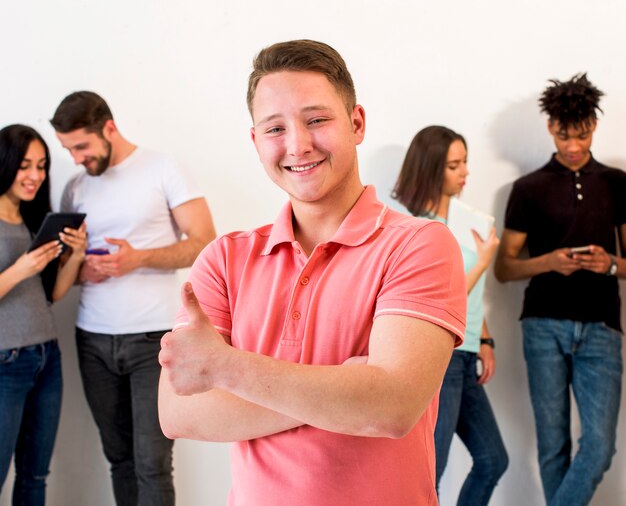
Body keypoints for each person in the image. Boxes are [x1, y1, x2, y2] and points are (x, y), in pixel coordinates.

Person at [158, 40, 467, 506]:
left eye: (317, 119)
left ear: (356, 123)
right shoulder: (224, 258)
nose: (298, 144)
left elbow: (390, 406)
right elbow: (179, 412)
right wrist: (343, 390)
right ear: (256, 140)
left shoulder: (420, 244)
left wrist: (225, 368)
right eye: (275, 128)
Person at [49, 92, 216, 506]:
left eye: (82, 146)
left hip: (153, 340)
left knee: (152, 464)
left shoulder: (163, 168)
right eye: (68, 149)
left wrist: (137, 258)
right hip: (92, 340)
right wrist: (81, 269)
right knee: (119, 459)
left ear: (109, 128)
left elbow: (203, 242)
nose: (76, 158)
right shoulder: (75, 188)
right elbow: (66, 268)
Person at [494, 73, 625, 506]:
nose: (573, 145)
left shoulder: (617, 183)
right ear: (551, 127)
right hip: (542, 326)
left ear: (594, 126)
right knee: (553, 448)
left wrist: (609, 264)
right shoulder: (527, 189)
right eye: (565, 135)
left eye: (583, 135)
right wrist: (548, 261)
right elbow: (504, 268)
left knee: (600, 446)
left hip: (602, 328)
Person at [393, 125, 508, 505]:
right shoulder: (418, 229)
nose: (465, 173)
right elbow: (446, 296)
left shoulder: (464, 222)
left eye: (465, 163)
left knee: (493, 459)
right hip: (441, 358)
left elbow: (472, 298)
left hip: (467, 353)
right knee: (431, 473)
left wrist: (485, 339)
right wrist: (486, 260)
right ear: (431, 169)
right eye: (454, 165)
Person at [0, 124, 86, 506]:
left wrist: (76, 255)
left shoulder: (33, 217)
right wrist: (21, 268)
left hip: (46, 358)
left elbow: (51, 293)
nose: (35, 176)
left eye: (42, 166)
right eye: (25, 165)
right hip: (6, 363)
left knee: (35, 476)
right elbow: (22, 277)